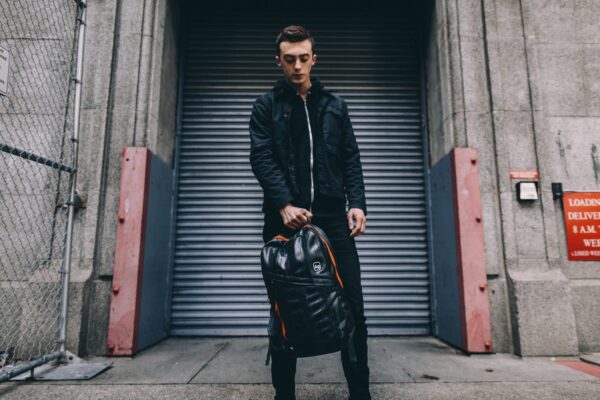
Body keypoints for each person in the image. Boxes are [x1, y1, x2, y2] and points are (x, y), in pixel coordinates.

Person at [249, 25, 371, 400]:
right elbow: (262, 158)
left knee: (353, 309)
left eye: (304, 58)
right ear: (279, 62)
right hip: (284, 222)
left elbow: (350, 157)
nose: (297, 66)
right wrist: (284, 204)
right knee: (288, 310)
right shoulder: (266, 106)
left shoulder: (336, 106)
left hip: (334, 220)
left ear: (314, 59)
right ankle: (283, 394)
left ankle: (360, 393)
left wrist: (358, 204)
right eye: (290, 60)